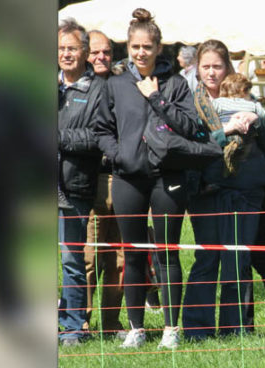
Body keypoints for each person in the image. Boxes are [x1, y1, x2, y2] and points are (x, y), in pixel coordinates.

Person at [94, 8, 202, 349]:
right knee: (134, 253)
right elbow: (101, 129)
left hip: (167, 177)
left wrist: (156, 97)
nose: (141, 53)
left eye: (147, 47)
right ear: (128, 46)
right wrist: (119, 154)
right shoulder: (114, 84)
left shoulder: (176, 83)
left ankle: (171, 329)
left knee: (167, 252)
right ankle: (136, 328)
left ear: (159, 48)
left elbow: (190, 127)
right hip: (128, 178)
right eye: (135, 46)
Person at [181, 39, 265, 342]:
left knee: (238, 259)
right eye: (206, 67)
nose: (211, 73)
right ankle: (198, 328)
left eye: (217, 66)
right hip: (206, 189)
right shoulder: (190, 101)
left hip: (245, 189)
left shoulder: (250, 103)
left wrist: (256, 120)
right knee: (207, 257)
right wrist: (226, 131)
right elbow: (192, 143)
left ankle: (236, 328)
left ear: (227, 68)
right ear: (197, 68)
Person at [58, 19, 104, 345]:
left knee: (72, 260)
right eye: (60, 49)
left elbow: (98, 137)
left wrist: (58, 137)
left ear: (85, 52)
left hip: (73, 186)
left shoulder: (97, 90)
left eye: (72, 48)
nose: (65, 54)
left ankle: (74, 328)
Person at [82, 29, 126, 339]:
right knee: (89, 257)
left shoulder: (123, 84)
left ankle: (111, 323)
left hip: (124, 179)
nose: (101, 57)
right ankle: (80, 321)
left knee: (121, 259)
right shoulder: (78, 87)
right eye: (96, 52)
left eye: (106, 51)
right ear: (86, 54)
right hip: (91, 180)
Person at [212, 73, 265, 175]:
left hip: (226, 133)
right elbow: (264, 116)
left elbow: (211, 116)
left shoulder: (217, 102)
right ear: (244, 91)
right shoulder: (253, 105)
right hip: (247, 139)